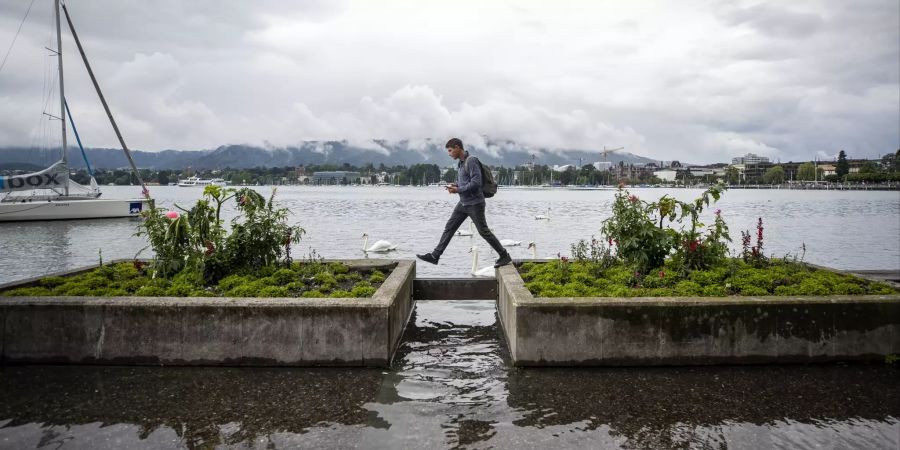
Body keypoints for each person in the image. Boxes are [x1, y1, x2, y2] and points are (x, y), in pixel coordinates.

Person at [417, 138, 512, 268]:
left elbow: (476, 183)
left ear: (457, 147)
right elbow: (467, 181)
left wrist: (458, 189)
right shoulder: (461, 163)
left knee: (483, 231)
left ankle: (504, 255)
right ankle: (435, 256)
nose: (449, 154)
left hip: (475, 204)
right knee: (449, 227)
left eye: (450, 150)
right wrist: (455, 185)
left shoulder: (471, 161)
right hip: (463, 203)